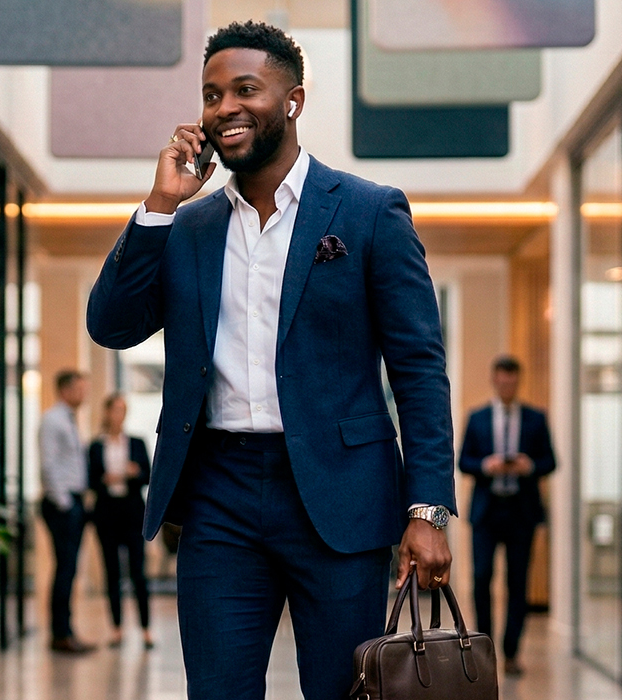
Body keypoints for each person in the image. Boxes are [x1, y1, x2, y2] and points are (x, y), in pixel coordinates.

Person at [86, 21, 455, 700]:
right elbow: (110, 326)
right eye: (211, 93)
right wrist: (161, 202)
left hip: (340, 497)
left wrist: (426, 510)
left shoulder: (370, 213)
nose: (224, 106)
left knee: (339, 691)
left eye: (245, 89)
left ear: (293, 101)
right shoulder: (188, 227)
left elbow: (419, 370)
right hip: (217, 496)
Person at [458, 355, 556, 676]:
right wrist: (486, 465)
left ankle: (512, 651)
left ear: (518, 381)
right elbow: (464, 462)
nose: (507, 385)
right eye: (502, 379)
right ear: (494, 379)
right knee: (481, 577)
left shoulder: (535, 419)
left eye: (512, 380)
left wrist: (530, 466)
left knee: (518, 583)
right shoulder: (477, 418)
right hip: (487, 511)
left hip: (520, 511)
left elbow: (550, 462)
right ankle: (484, 648)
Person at [88, 393, 154, 649]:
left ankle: (146, 628)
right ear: (107, 412)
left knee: (138, 571)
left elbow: (148, 474)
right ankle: (116, 628)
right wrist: (105, 479)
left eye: (123, 409)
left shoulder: (136, 443)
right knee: (112, 572)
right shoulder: (96, 446)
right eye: (115, 409)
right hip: (107, 513)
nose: (119, 414)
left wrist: (133, 473)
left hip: (132, 513)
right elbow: (91, 480)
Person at [39, 369, 96, 653]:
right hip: (62, 504)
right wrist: (64, 503)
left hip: (73, 502)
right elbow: (48, 465)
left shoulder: (69, 420)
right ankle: (60, 634)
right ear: (65, 390)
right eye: (80, 389)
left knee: (70, 569)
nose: (84, 394)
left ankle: (66, 630)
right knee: (65, 569)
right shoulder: (52, 420)